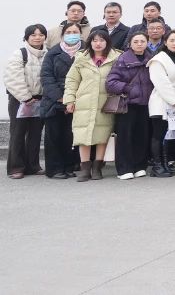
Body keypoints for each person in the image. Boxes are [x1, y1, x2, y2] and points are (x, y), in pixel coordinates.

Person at [62, 29, 119, 181]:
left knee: (102, 134)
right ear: (90, 42)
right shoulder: (81, 58)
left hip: (105, 103)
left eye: (101, 40)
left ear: (107, 42)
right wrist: (70, 100)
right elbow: (72, 80)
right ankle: (85, 169)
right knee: (83, 135)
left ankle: (97, 167)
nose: (98, 43)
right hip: (84, 103)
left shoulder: (115, 58)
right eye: (95, 40)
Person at [105, 33, 155, 180]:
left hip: (145, 104)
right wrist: (128, 89)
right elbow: (111, 82)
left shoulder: (152, 59)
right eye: (136, 41)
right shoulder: (122, 59)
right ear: (130, 43)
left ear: (147, 43)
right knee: (125, 136)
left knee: (142, 136)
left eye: (142, 41)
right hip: (127, 104)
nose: (139, 44)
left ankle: (139, 166)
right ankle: (124, 169)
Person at [39, 21, 81, 179]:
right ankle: (55, 169)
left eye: (75, 32)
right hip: (55, 101)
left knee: (70, 136)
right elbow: (46, 77)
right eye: (68, 32)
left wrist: (74, 97)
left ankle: (69, 166)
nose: (72, 35)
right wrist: (60, 97)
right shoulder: (53, 53)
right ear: (62, 35)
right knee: (54, 136)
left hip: (77, 100)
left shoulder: (86, 51)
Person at [5, 24, 48, 178]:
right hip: (20, 100)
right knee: (18, 133)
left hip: (40, 100)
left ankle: (33, 166)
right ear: (27, 37)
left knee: (35, 134)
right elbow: (12, 78)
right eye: (33, 35)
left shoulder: (48, 54)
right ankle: (16, 167)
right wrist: (26, 97)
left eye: (41, 34)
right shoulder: (20, 54)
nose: (37, 37)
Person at [146, 29, 175, 178]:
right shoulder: (158, 59)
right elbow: (161, 83)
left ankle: (165, 164)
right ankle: (157, 166)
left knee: (168, 134)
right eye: (171, 40)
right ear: (165, 42)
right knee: (159, 134)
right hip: (161, 101)